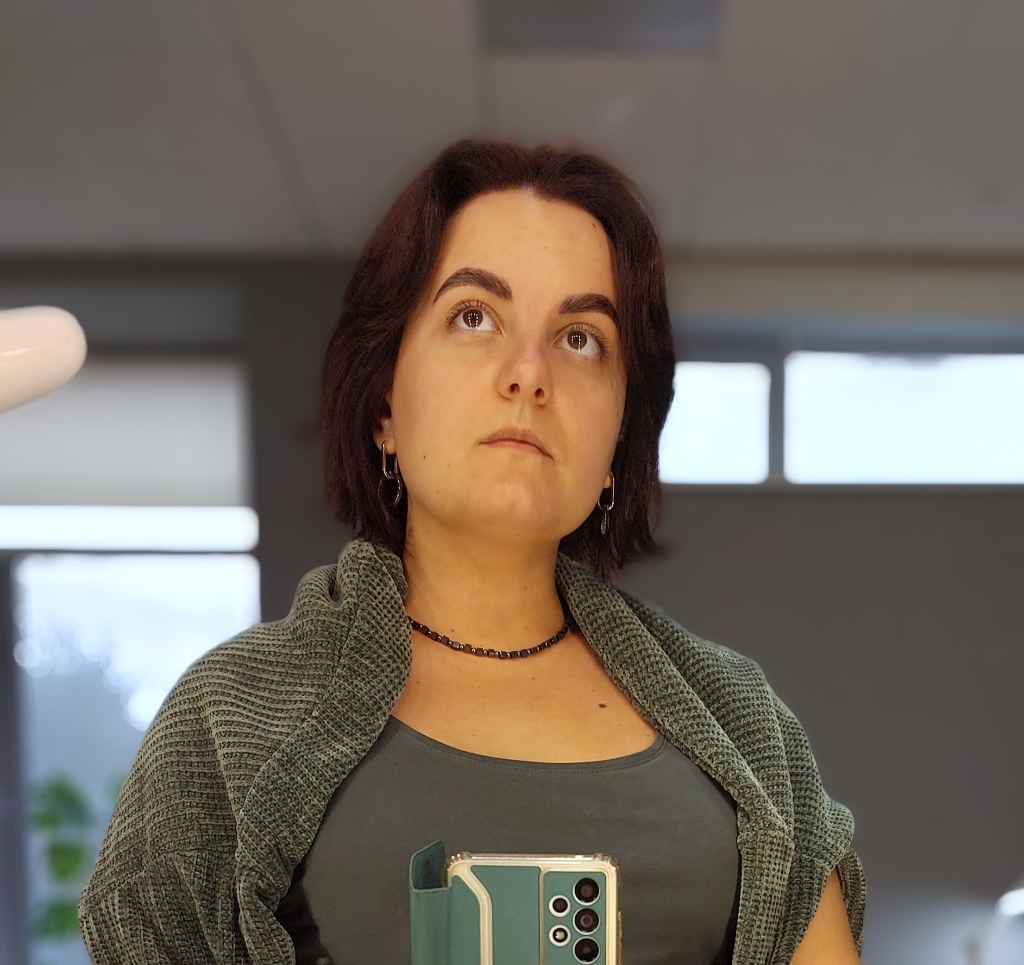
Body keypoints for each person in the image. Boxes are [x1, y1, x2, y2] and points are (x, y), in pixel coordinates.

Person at [79, 140, 864, 965]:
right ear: (384, 404)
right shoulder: (228, 715)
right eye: (474, 317)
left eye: (581, 338)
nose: (528, 373)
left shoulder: (744, 723)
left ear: (618, 439)